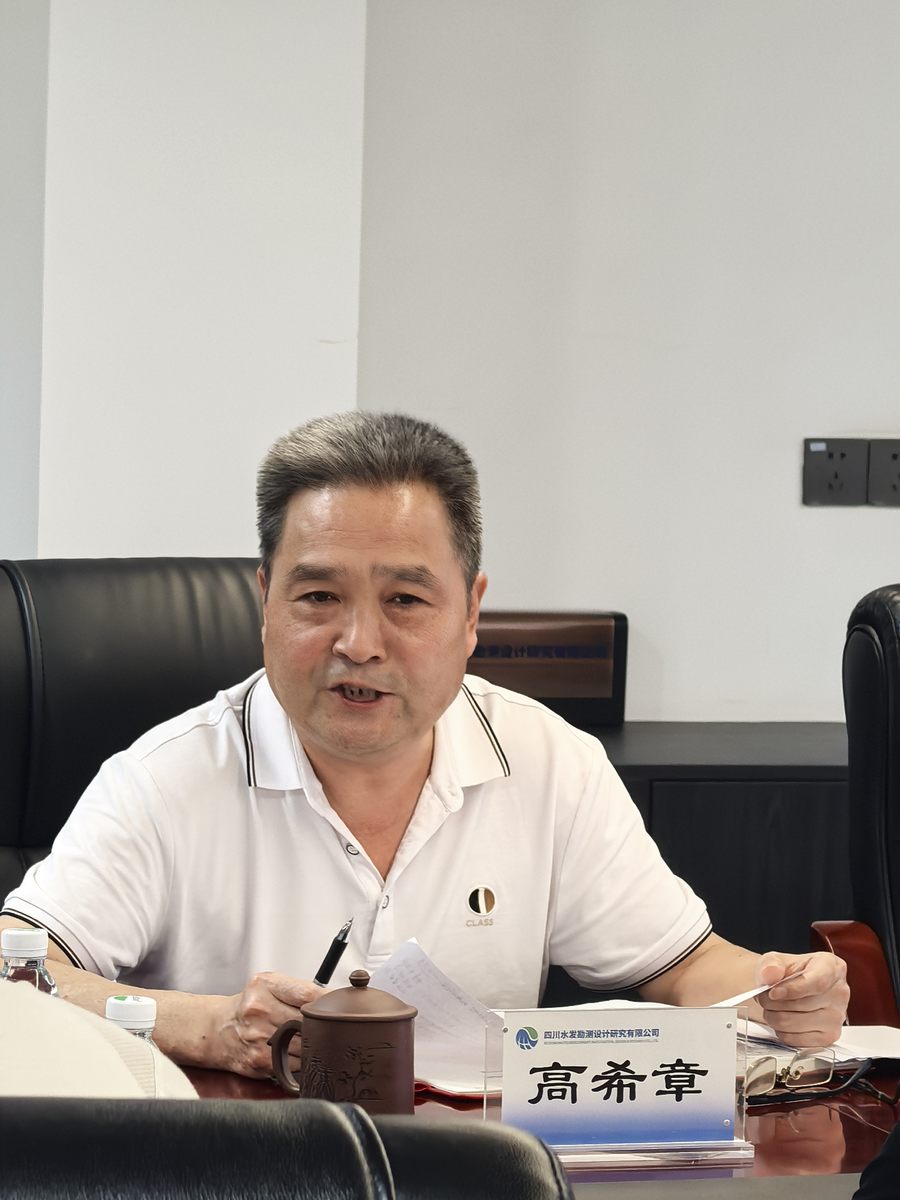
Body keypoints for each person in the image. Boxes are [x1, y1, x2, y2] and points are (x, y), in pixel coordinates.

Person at [0, 412, 849, 1079]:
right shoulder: (165, 779)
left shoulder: (549, 761)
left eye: (405, 600)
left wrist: (775, 992)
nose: (359, 643)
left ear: (471, 612)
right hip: (246, 1167)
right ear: (265, 602)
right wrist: (206, 1024)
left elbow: (685, 967)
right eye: (318, 597)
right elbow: (14, 978)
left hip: (475, 1170)